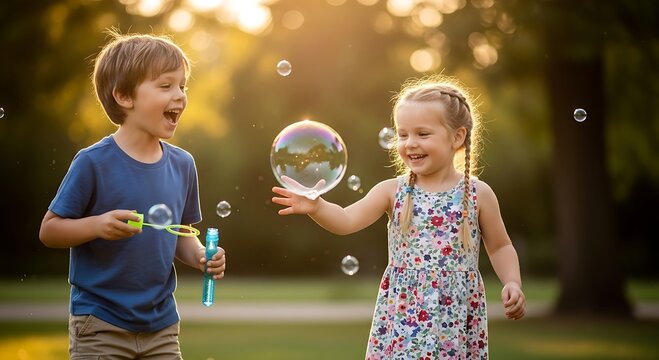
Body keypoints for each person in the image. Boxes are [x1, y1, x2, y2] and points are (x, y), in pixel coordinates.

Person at [272, 76, 525, 359]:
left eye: (422, 134)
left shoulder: (478, 194)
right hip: (405, 317)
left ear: (457, 137)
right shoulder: (393, 191)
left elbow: (500, 246)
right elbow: (346, 219)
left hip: (455, 317)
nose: (410, 143)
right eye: (403, 134)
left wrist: (512, 282)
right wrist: (317, 208)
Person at [39, 30, 226, 359]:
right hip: (99, 325)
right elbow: (50, 230)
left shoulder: (183, 164)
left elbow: (179, 233)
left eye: (183, 86)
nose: (180, 96)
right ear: (125, 96)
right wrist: (96, 225)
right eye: (166, 86)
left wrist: (200, 255)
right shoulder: (93, 162)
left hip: (162, 326)